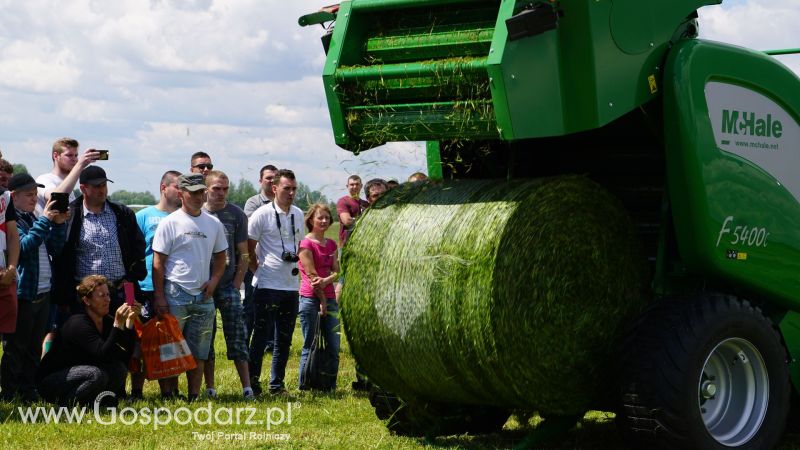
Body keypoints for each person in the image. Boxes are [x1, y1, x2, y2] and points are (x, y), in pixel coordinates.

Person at [152, 173, 227, 402]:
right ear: (182, 194)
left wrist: (214, 281)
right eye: (192, 192)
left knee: (200, 349)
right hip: (176, 292)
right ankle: (169, 394)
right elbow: (158, 263)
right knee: (170, 349)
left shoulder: (213, 223)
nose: (197, 196)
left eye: (200, 192)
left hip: (203, 295)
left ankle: (193, 394)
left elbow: (222, 257)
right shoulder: (170, 222)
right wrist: (160, 296)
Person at [0, 174, 67, 402]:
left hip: (43, 291)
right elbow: (24, 247)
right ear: (13, 196)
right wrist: (46, 221)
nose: (33, 198)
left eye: (34, 194)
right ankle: (8, 392)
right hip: (25, 294)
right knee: (15, 348)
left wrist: (58, 225)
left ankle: (27, 390)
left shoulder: (34, 218)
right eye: (28, 194)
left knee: (33, 347)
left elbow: (56, 248)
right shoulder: (13, 223)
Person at [52, 166, 146, 320]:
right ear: (83, 188)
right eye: (97, 186)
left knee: (127, 334)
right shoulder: (71, 215)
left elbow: (139, 247)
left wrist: (131, 277)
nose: (102, 190)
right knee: (88, 338)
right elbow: (61, 256)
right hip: (86, 294)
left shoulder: (122, 213)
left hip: (124, 288)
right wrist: (65, 295)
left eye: (104, 185)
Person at [36, 275, 139, 406]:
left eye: (108, 295)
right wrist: (118, 324)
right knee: (95, 374)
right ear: (86, 300)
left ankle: (94, 402)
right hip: (53, 380)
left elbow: (123, 356)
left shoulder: (106, 321)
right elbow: (103, 355)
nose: (107, 300)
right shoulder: (78, 323)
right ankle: (67, 404)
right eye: (102, 296)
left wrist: (129, 322)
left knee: (119, 369)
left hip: (81, 374)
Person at [247, 169, 303, 395]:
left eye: (294, 189)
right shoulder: (261, 214)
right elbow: (248, 247)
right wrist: (256, 268)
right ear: (274, 188)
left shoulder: (298, 213)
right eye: (286, 188)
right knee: (261, 336)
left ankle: (277, 384)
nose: (291, 193)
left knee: (285, 338)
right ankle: (252, 382)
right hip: (267, 285)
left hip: (290, 285)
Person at [201, 170, 253, 400]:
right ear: (206, 190)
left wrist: (237, 282)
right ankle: (210, 388)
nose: (221, 193)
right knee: (205, 337)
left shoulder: (237, 215)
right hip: (202, 287)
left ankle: (247, 388)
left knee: (238, 336)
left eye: (225, 188)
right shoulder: (197, 214)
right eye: (216, 188)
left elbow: (244, 253)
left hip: (228, 285)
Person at [131, 170, 182, 399]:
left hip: (173, 286)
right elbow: (134, 252)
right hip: (146, 286)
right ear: (164, 187)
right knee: (140, 342)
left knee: (169, 342)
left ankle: (169, 391)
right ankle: (136, 390)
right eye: (177, 187)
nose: (182, 192)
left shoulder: (183, 217)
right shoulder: (143, 216)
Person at [297, 203, 340, 391]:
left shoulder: (332, 244)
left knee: (334, 345)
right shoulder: (305, 244)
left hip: (330, 297)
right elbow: (313, 276)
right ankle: (305, 385)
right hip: (310, 298)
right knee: (310, 344)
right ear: (311, 220)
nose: (324, 221)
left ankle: (329, 385)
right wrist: (323, 301)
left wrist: (328, 279)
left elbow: (337, 271)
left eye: (327, 218)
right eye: (320, 217)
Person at [242, 164, 277, 348]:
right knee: (251, 304)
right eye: (268, 177)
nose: (272, 181)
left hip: (273, 264)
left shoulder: (284, 204)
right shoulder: (253, 202)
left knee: (271, 305)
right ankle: (245, 341)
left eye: (275, 177)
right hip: (254, 262)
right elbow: (253, 230)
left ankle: (269, 342)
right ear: (261, 180)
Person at [35, 137, 101, 216]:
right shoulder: (44, 179)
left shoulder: (69, 187)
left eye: (76, 155)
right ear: (55, 156)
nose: (74, 159)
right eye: (69, 155)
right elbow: (56, 198)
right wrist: (80, 165)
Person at [335, 175, 369, 249]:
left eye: (357, 184)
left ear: (361, 186)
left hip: (364, 243)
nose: (354, 187)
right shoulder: (343, 201)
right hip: (347, 244)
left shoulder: (366, 204)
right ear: (347, 186)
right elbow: (347, 221)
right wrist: (367, 221)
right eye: (352, 184)